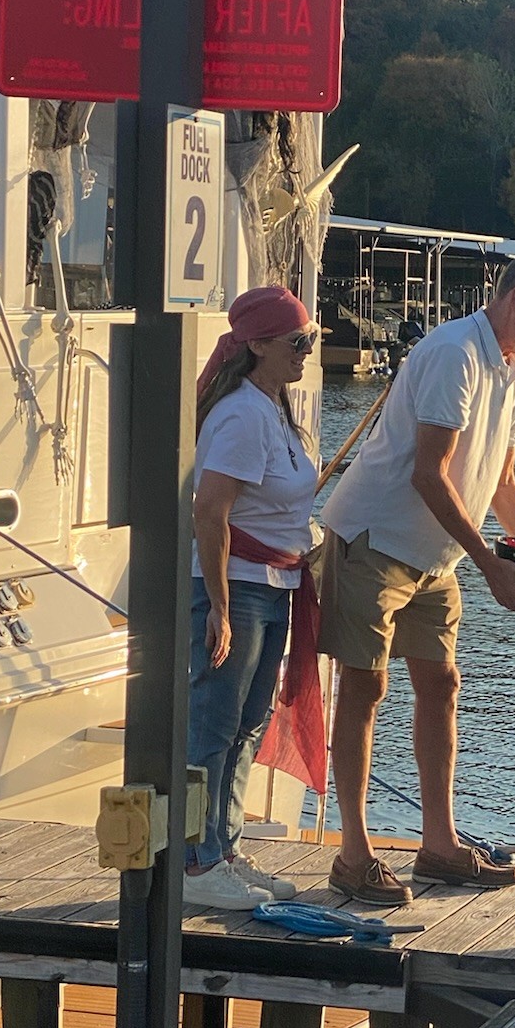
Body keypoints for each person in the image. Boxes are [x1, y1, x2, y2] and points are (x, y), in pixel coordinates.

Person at [318, 248, 515, 902]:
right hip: (374, 537)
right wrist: (490, 562)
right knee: (365, 686)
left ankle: (438, 846)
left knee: (442, 683)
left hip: (436, 553)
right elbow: (428, 472)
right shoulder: (453, 353)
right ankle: (353, 854)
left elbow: (502, 478)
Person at [187, 285, 320, 912]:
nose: (306, 351)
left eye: (311, 340)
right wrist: (215, 603)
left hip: (274, 585)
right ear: (258, 345)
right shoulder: (242, 413)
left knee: (246, 725)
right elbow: (210, 511)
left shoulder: (273, 407)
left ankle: (225, 847)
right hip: (237, 586)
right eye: (296, 342)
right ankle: (195, 860)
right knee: (213, 726)